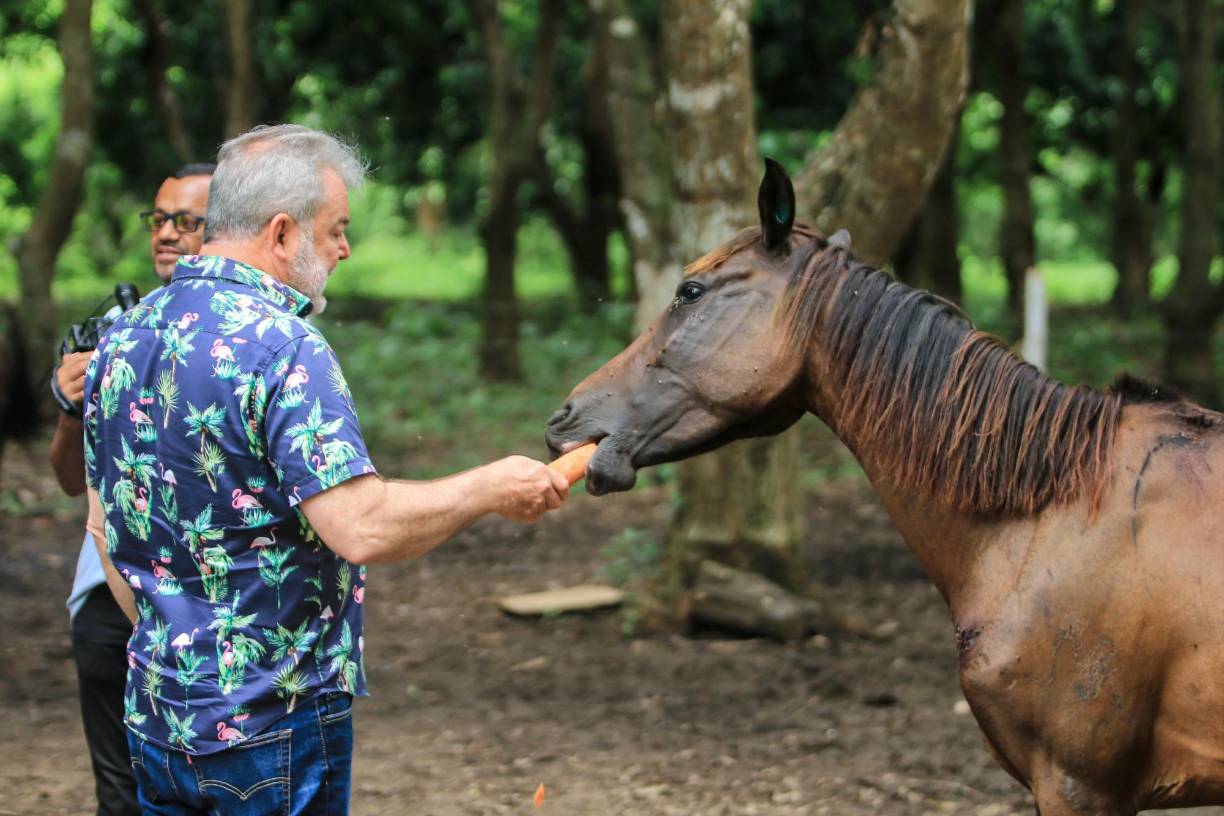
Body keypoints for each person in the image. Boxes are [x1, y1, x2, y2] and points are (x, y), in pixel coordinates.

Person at [82, 124, 570, 814]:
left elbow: (102, 529)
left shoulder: (122, 335)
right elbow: (360, 527)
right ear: (282, 233)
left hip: (156, 719)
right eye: (336, 229)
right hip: (271, 725)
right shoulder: (283, 344)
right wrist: (489, 487)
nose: (346, 249)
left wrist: (179, 647)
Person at [49, 162, 214, 816]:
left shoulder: (256, 338)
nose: (166, 234)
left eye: (185, 220)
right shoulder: (112, 331)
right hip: (106, 598)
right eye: (159, 219)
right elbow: (70, 480)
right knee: (122, 796)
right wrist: (68, 408)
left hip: (206, 608)